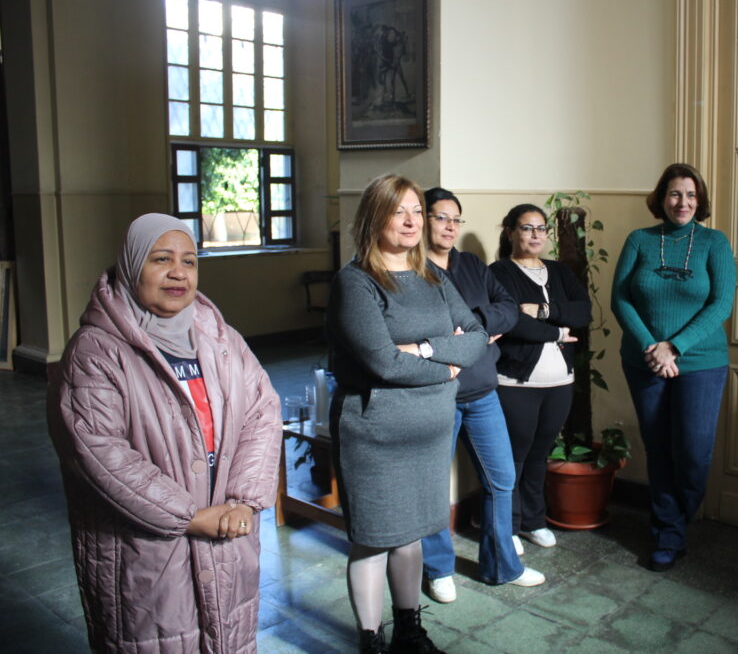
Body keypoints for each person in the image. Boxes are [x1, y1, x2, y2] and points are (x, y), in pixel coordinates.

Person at [48, 214, 281, 653]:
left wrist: (244, 500)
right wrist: (188, 516)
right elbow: (99, 453)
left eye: (189, 261)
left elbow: (262, 412)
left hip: (228, 538)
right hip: (146, 557)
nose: (178, 272)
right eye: (161, 259)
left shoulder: (221, 339)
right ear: (131, 265)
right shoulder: (95, 352)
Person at [328, 175, 488, 653]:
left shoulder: (433, 277)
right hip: (376, 435)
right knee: (374, 539)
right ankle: (371, 639)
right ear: (374, 217)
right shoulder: (356, 282)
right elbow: (383, 363)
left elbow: (476, 336)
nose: (411, 220)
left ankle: (409, 632)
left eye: (417, 210)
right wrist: (447, 368)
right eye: (398, 211)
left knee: (412, 535)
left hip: (429, 435)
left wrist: (424, 348)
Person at [419, 188, 546, 603]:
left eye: (456, 219)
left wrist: (474, 324)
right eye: (441, 217)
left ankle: (502, 567)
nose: (450, 226)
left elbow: (508, 307)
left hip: (482, 390)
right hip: (436, 393)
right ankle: (438, 569)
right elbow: (422, 330)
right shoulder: (411, 269)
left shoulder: (472, 265)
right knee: (433, 486)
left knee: (501, 478)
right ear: (422, 219)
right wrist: (462, 334)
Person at [610, 162, 736, 572]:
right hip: (644, 360)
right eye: (675, 194)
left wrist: (674, 347)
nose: (683, 202)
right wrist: (652, 347)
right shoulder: (640, 240)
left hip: (701, 362)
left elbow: (721, 303)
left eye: (691, 195)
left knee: (693, 452)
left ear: (700, 201)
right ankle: (668, 531)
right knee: (659, 448)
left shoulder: (714, 243)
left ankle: (676, 520)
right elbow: (621, 299)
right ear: (662, 198)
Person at [489, 204, 591, 550]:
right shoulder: (499, 272)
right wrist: (557, 332)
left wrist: (544, 311)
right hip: (517, 384)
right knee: (514, 457)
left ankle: (533, 521)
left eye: (541, 228)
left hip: (560, 383)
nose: (535, 235)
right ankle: (509, 527)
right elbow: (512, 323)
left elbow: (583, 312)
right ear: (510, 233)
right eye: (527, 228)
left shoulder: (559, 272)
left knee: (539, 455)